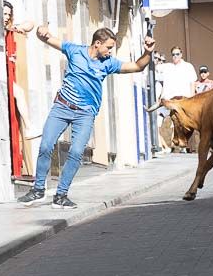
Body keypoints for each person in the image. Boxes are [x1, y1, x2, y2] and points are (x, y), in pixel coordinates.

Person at [19, 26, 155, 209]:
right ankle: (38, 190)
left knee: (75, 153)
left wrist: (147, 52)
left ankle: (61, 195)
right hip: (61, 107)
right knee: (45, 145)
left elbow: (137, 66)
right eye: (108, 47)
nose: (110, 52)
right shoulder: (74, 51)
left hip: (85, 114)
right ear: (97, 44)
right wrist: (40, 32)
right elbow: (48, 38)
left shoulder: (108, 63)